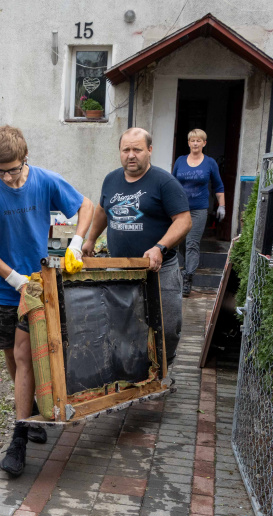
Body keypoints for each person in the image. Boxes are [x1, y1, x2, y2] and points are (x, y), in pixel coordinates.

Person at [0, 125, 93, 477]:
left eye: (14, 169)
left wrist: (77, 243)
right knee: (12, 356)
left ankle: (18, 438)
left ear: (25, 160)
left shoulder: (44, 181)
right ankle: (31, 411)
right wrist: (12, 278)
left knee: (24, 356)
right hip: (2, 287)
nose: (8, 177)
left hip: (36, 286)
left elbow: (86, 206)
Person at [81, 127, 191, 365]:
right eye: (126, 150)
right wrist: (90, 239)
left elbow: (184, 221)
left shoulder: (164, 182)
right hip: (119, 268)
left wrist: (159, 247)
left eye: (137, 150)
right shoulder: (111, 179)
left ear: (149, 150)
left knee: (167, 326)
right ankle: (128, 370)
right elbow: (102, 209)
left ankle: (163, 367)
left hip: (159, 269)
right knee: (120, 323)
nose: (131, 155)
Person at [172, 129, 225, 297]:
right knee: (179, 242)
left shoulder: (209, 163)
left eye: (199, 140)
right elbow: (172, 183)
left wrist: (221, 206)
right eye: (192, 140)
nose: (195, 143)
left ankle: (188, 278)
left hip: (199, 209)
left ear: (204, 143)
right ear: (188, 143)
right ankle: (187, 267)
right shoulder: (180, 161)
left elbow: (218, 186)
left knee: (192, 243)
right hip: (179, 210)